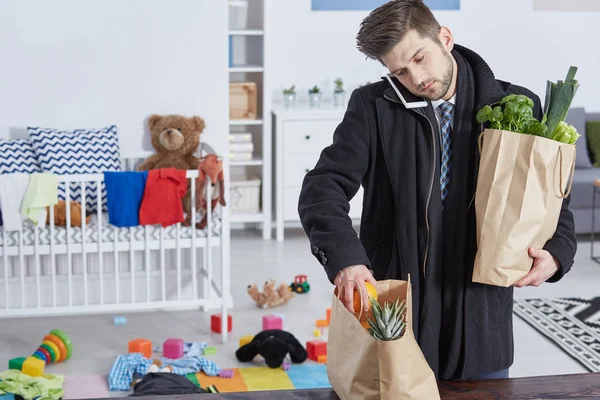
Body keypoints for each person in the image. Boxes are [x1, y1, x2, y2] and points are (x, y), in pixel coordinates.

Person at [297, 0, 576, 381]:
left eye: (420, 57)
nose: (416, 78)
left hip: (482, 317)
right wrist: (346, 259)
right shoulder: (371, 106)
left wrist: (557, 254)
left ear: (444, 37)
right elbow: (322, 187)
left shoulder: (517, 105)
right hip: (399, 308)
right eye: (400, 71)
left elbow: (554, 199)